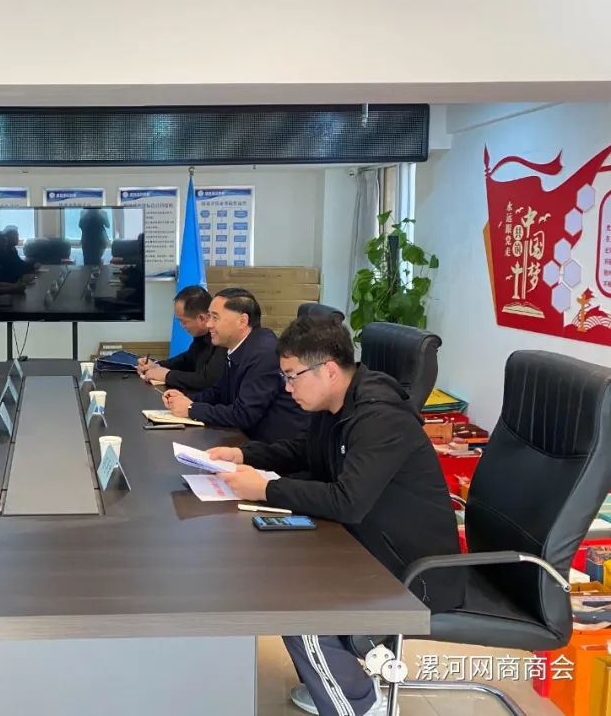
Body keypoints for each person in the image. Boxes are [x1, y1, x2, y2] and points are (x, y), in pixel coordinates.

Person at [207, 317, 462, 716]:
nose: (287, 388)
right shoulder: (337, 403)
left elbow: (348, 501)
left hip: (413, 570)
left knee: (300, 605)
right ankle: (333, 681)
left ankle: (360, 705)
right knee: (274, 570)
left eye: (292, 377)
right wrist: (244, 455)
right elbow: (305, 451)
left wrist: (265, 489)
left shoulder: (380, 418)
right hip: (366, 543)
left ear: (327, 370)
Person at [162, 288, 307, 441]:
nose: (209, 324)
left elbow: (244, 414)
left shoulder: (263, 354)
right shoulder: (237, 346)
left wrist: (191, 409)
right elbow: (219, 392)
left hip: (273, 446)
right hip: (248, 439)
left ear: (242, 321)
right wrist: (186, 399)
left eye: (215, 317)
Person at [138, 285, 225, 392]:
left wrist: (167, 375)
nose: (182, 326)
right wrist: (156, 365)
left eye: (183, 321)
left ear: (201, 318)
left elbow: (207, 380)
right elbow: (187, 360)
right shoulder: (202, 337)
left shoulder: (223, 340)